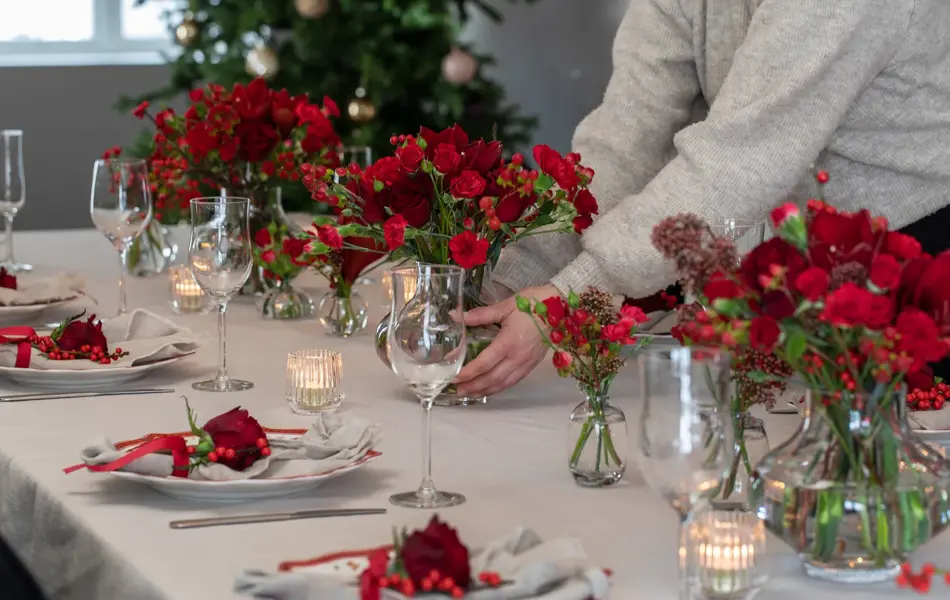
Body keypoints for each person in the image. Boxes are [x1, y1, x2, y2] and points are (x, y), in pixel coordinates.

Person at [454, 0, 950, 397]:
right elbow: (625, 140)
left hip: (919, 261)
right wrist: (506, 284)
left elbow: (740, 161)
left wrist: (569, 294)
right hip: (816, 260)